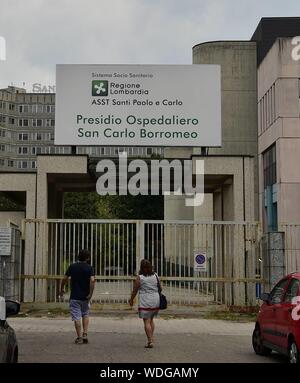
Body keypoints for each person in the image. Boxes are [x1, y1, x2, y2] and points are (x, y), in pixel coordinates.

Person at [60, 249, 95, 344]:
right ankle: (85, 334)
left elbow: (64, 278)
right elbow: (92, 280)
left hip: (74, 297)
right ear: (87, 258)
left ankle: (79, 337)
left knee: (76, 317)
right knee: (85, 314)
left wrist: (62, 288)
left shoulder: (72, 267)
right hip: (85, 297)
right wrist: (90, 294)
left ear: (78, 257)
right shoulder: (89, 268)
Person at [129, 259, 161, 348]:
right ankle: (151, 337)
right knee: (151, 319)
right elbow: (160, 288)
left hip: (145, 300)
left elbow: (135, 290)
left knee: (146, 321)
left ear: (141, 268)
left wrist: (131, 299)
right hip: (155, 299)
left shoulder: (140, 277)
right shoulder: (155, 275)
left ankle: (150, 341)